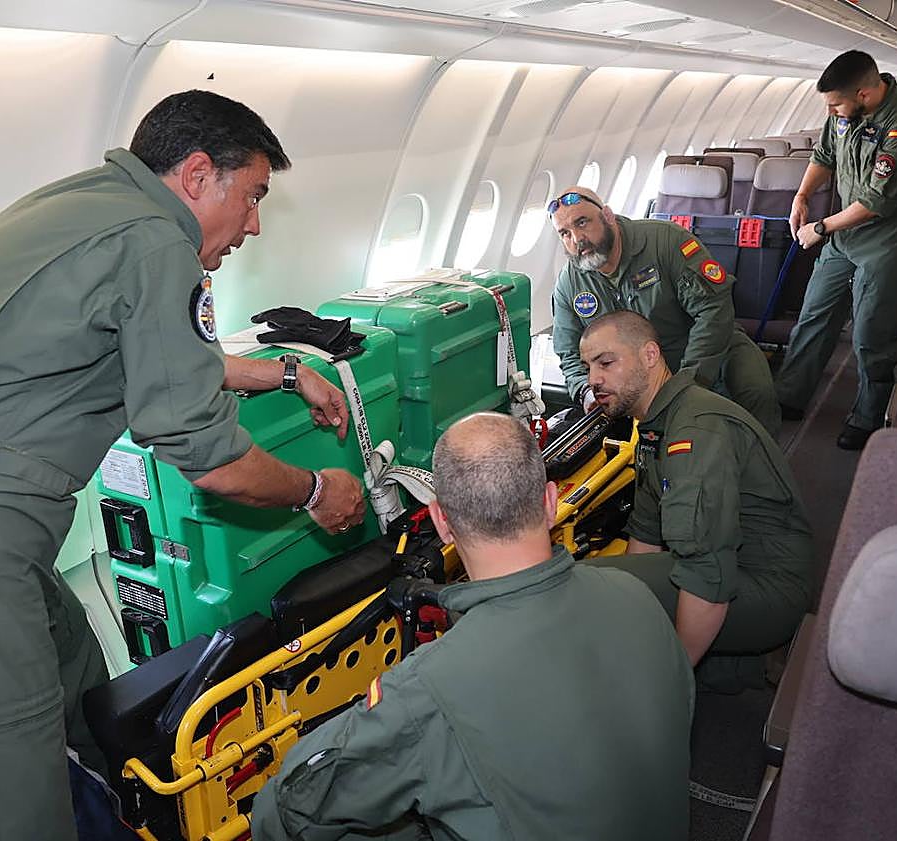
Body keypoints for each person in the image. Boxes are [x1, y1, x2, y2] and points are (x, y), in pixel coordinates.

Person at [0, 90, 367, 841]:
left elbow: (169, 360)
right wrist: (316, 492)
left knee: (77, 674)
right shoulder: (157, 246)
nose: (253, 224)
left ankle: (125, 815)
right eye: (251, 196)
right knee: (2, 787)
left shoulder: (95, 207)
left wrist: (283, 373)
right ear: (197, 174)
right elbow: (210, 460)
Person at [251, 413, 694, 841]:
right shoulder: (637, 595)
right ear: (550, 502)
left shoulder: (427, 690)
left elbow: (285, 810)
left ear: (441, 522)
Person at [581, 311, 813, 690]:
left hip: (766, 585)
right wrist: (629, 601)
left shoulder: (694, 430)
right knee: (608, 586)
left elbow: (706, 575)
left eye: (606, 363)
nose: (593, 379)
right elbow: (646, 534)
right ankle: (728, 664)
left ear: (650, 355)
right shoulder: (656, 426)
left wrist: (674, 679)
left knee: (587, 592)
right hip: (733, 569)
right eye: (588, 367)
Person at [776, 50, 897, 450]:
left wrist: (820, 227)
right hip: (844, 235)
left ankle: (868, 415)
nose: (830, 112)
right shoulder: (843, 112)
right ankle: (789, 395)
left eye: (835, 105)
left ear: (864, 94)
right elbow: (824, 155)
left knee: (871, 332)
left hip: (887, 241)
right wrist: (802, 196)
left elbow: (874, 202)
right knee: (814, 314)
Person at [549, 185, 781, 437]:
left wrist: (691, 378)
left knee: (755, 389)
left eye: (582, 222)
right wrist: (585, 391)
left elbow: (713, 309)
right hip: (633, 371)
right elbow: (568, 351)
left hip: (705, 346)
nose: (577, 239)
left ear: (607, 216)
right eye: (565, 233)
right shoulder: (569, 283)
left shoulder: (667, 241)